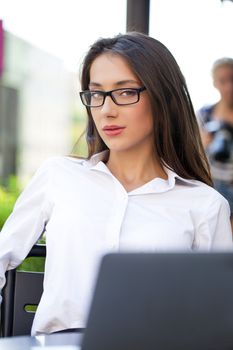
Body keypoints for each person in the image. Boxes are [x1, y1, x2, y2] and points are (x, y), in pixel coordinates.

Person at [0, 32, 232, 336]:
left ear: (163, 98)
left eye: (124, 92)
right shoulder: (59, 176)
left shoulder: (204, 204)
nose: (106, 110)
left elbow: (219, 312)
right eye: (96, 94)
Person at [197, 58, 233, 231]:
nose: (229, 87)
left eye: (232, 79)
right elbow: (191, 153)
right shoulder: (205, 115)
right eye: (223, 81)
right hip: (214, 183)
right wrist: (201, 143)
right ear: (214, 83)